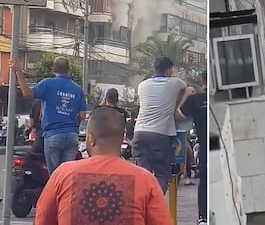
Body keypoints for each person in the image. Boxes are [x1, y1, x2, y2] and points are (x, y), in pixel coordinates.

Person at [35, 106, 173, 225]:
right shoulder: (146, 180)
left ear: (91, 139)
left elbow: (43, 219)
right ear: (122, 140)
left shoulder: (63, 174)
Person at [10, 57, 86, 174]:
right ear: (68, 69)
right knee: (65, 176)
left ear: (53, 69)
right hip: (72, 136)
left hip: (53, 135)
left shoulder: (47, 83)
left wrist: (18, 71)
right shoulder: (78, 90)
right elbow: (82, 115)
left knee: (54, 177)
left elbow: (27, 93)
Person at [133, 57, 193, 194]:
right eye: (172, 70)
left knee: (143, 175)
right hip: (159, 136)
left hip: (139, 134)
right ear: (168, 71)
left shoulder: (142, 85)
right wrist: (182, 101)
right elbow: (187, 90)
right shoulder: (175, 83)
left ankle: (143, 205)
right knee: (162, 175)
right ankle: (155, 206)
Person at [175, 70, 207, 225]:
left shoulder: (196, 100)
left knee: (206, 181)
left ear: (203, 81)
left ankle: (203, 217)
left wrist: (186, 95)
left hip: (206, 147)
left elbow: (177, 115)